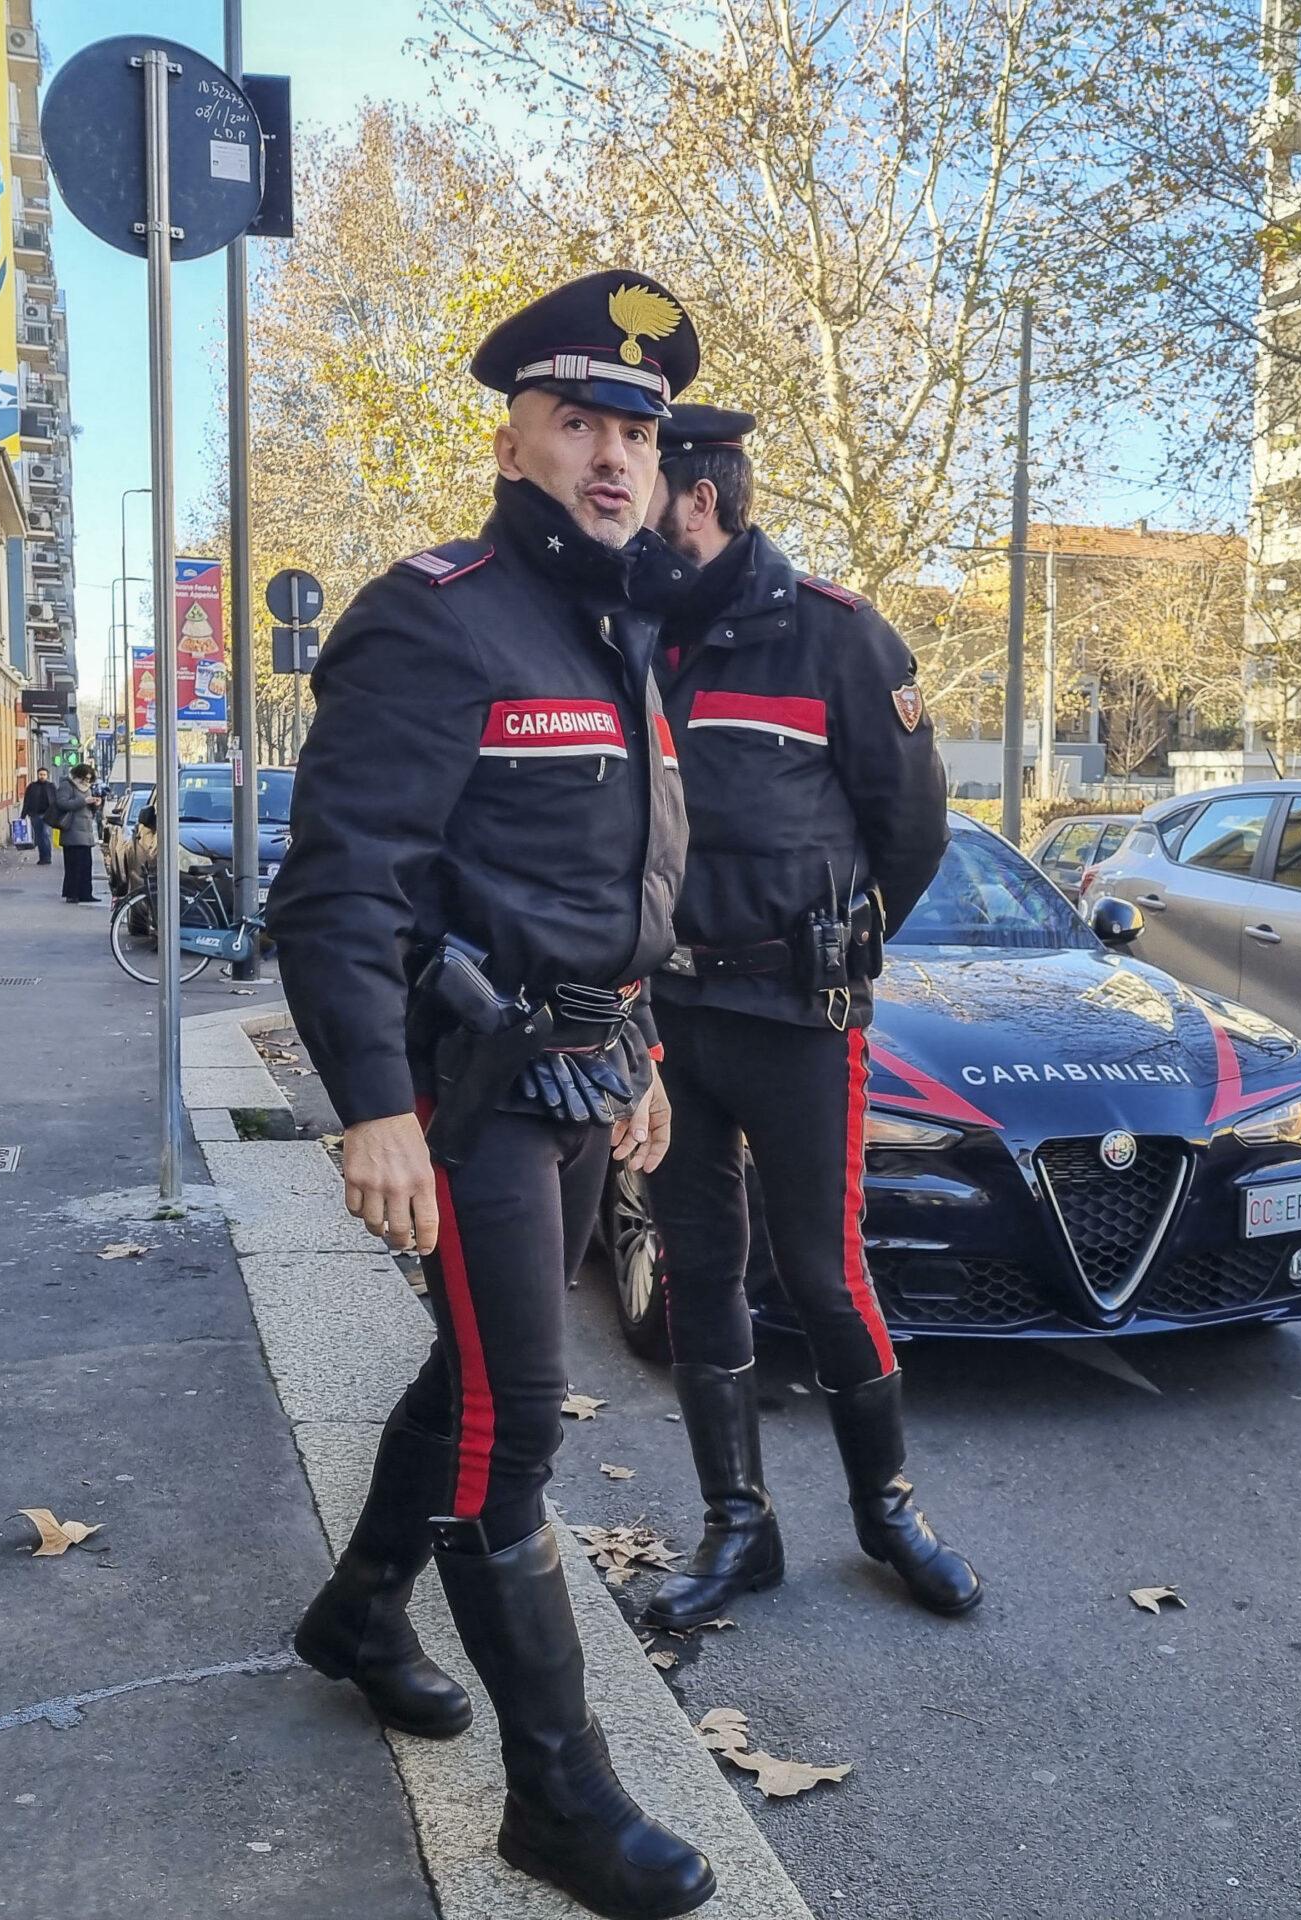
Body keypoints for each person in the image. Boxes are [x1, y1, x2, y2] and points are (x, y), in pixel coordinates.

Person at [266, 271, 715, 1920]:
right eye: (580, 420)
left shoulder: (620, 630)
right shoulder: (435, 614)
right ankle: (559, 1803)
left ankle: (362, 1614)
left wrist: (645, 1050)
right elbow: (340, 884)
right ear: (516, 432)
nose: (611, 456)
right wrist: (371, 1102)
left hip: (586, 1072)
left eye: (636, 432)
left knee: (470, 1375)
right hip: (468, 1087)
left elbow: (620, 878)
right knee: (515, 1425)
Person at [631, 404, 975, 1628]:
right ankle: (739, 1529)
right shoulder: (633, 632)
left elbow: (914, 831)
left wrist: (840, 936)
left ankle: (887, 1515)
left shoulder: (834, 638)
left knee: (826, 1275)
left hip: (794, 1012)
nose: (619, 495)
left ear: (700, 498)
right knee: (696, 1271)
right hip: (668, 1014)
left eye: (643, 478)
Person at [49, 765, 97, 904]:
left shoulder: (87, 788)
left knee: (86, 865)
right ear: (79, 775)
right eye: (85, 777)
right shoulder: (67, 785)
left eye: (89, 778)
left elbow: (88, 808)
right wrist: (84, 801)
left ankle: (86, 893)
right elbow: (62, 803)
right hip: (72, 831)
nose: (87, 780)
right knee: (73, 865)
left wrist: (95, 804)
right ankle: (72, 894)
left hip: (86, 831)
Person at [21, 766, 55, 864]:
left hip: (48, 815)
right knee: (39, 837)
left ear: (47, 776)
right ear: (37, 775)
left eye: (44, 775)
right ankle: (42, 857)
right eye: (40, 775)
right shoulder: (32, 786)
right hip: (35, 815)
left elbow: (56, 801)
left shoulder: (51, 786)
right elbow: (26, 801)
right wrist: (23, 815)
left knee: (46, 834)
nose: (42, 776)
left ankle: (48, 857)